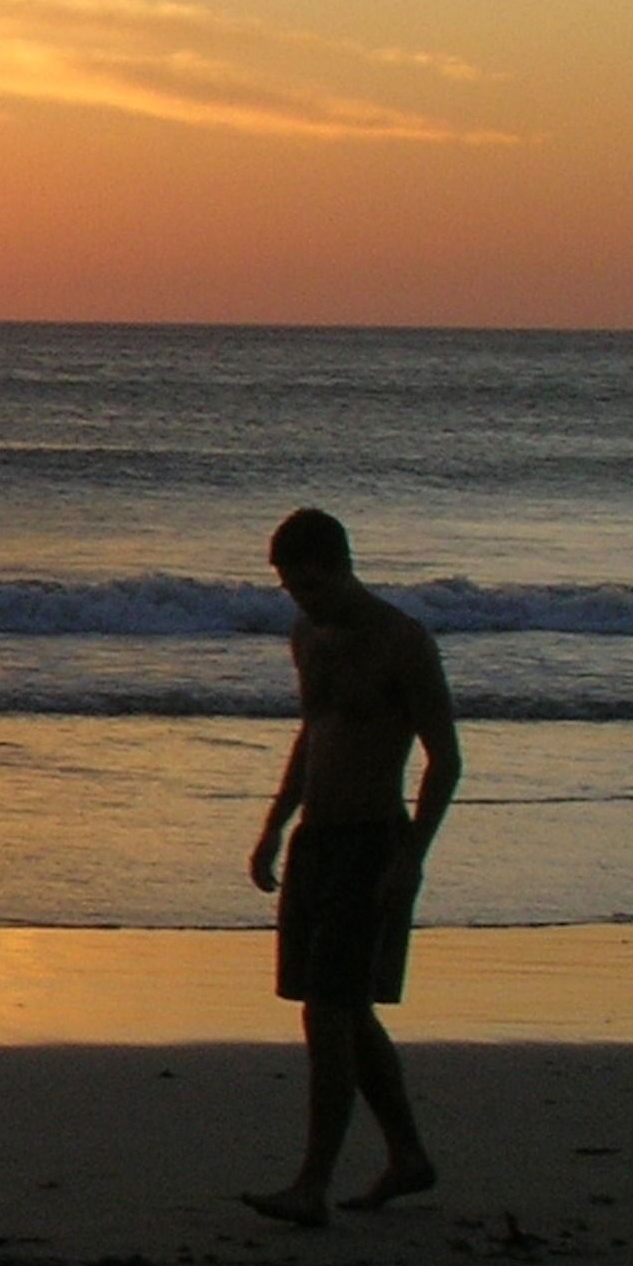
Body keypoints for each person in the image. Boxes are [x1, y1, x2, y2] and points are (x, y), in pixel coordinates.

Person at [242, 506, 455, 1227]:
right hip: (317, 842)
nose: (299, 600)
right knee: (340, 1006)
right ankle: (409, 1157)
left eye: (308, 585)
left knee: (328, 1013)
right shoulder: (307, 637)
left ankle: (312, 1184)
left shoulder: (401, 641)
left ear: (339, 566)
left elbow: (444, 761)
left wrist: (412, 859)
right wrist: (275, 825)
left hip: (372, 842)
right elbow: (314, 735)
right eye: (288, 589)